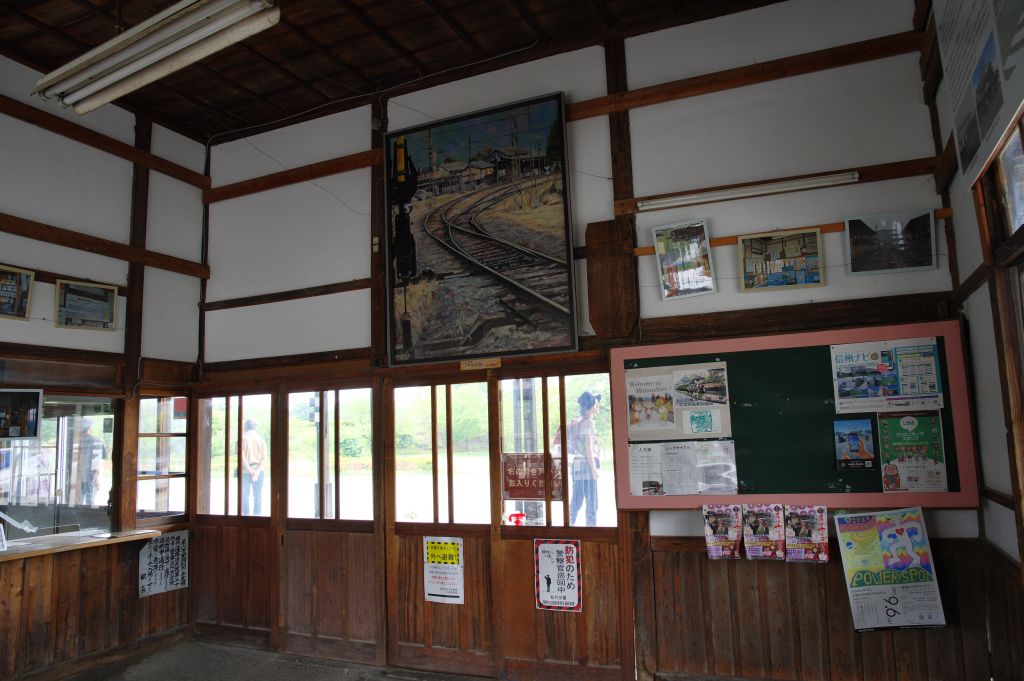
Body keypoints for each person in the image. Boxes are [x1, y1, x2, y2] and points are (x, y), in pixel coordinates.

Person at [562, 391, 601, 527]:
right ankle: (591, 530)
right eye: (596, 405)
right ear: (589, 407)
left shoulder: (575, 422)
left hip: (576, 466)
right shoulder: (589, 423)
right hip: (587, 467)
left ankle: (569, 526)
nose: (598, 407)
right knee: (592, 501)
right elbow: (588, 449)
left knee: (576, 500)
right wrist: (594, 471)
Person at [241, 418, 267, 515]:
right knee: (257, 496)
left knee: (244, 497)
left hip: (244, 472)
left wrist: (250, 470)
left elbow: (241, 458)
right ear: (255, 427)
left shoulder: (242, 439)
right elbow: (264, 459)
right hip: (259, 472)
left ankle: (246, 519)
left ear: (245, 427)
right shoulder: (261, 440)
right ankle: (257, 518)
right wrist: (256, 471)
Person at [78, 419, 105, 505]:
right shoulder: (97, 441)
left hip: (77, 478)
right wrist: (97, 478)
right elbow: (98, 462)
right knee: (90, 504)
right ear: (89, 427)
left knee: (77, 503)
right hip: (91, 477)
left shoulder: (75, 441)